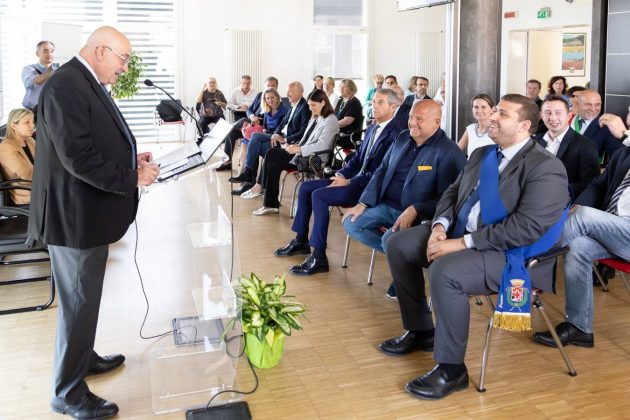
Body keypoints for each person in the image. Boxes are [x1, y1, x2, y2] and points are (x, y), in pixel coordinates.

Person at [380, 94, 569, 401]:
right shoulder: (482, 154)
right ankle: (421, 331)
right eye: (494, 111)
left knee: (445, 271)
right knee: (397, 243)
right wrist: (439, 226)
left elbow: (525, 228)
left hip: (510, 254)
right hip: (459, 233)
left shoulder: (546, 167)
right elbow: (452, 193)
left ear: (524, 126)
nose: (492, 117)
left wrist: (459, 244)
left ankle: (451, 369)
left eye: (502, 114)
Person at [28, 26, 160, 419]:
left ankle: (82, 359)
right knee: (77, 306)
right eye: (123, 59)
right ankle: (67, 393)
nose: (124, 68)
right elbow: (78, 157)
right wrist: (131, 178)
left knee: (83, 304)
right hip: (74, 219)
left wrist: (131, 159)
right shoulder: (66, 85)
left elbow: (94, 141)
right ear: (101, 51)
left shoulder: (82, 80)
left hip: (87, 215)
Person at [342, 100, 465, 299]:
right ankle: (406, 262)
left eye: (419, 119)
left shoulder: (448, 152)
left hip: (419, 216)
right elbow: (382, 170)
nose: (412, 122)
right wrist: (363, 203)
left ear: (436, 122)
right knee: (351, 223)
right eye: (411, 117)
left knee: (388, 239)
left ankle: (403, 267)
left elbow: (450, 198)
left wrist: (416, 208)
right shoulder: (402, 137)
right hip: (386, 205)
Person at [274, 89, 401, 275]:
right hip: (353, 180)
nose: (374, 106)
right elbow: (357, 159)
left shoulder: (397, 134)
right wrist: (341, 174)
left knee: (319, 196)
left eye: (380, 102)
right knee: (306, 187)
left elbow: (380, 173)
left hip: (367, 189)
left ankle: (319, 256)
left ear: (393, 106)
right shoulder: (373, 128)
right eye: (373, 102)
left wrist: (348, 181)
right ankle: (301, 240)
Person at [533, 130, 629, 350]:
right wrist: (578, 205)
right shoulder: (624, 154)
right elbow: (598, 185)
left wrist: (581, 212)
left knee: (584, 216)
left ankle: (528, 261)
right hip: (615, 229)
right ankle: (579, 328)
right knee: (577, 247)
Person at [252, 89, 339, 215]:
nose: (310, 108)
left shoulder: (331, 120)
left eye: (313, 105)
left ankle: (267, 198)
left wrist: (298, 149)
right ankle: (269, 201)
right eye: (309, 105)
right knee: (272, 156)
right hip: (304, 155)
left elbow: (323, 145)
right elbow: (307, 139)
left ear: (323, 103)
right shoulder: (316, 117)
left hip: (315, 160)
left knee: (273, 155)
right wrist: (294, 145)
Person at [228, 83, 308, 195]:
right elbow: (282, 125)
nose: (287, 94)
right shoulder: (292, 106)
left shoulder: (302, 108)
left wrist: (284, 139)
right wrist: (275, 135)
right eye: (267, 98)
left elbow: (303, 132)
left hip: (287, 143)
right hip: (277, 137)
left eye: (290, 91)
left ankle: (249, 176)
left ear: (300, 92)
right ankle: (249, 180)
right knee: (253, 143)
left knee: (255, 138)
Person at [534, 95, 600, 198]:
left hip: (563, 199)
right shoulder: (535, 141)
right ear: (541, 116)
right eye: (547, 113)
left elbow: (590, 183)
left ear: (569, 116)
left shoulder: (586, 145)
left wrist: (555, 190)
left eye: (558, 113)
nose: (552, 118)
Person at [217, 76, 278, 171]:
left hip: (260, 128)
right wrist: (252, 116)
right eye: (268, 85)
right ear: (264, 86)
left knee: (243, 120)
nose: (270, 87)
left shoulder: (276, 101)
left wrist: (259, 120)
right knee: (231, 133)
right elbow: (249, 110)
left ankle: (226, 128)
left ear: (276, 87)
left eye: (273, 86)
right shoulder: (259, 95)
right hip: (251, 124)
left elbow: (271, 121)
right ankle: (227, 162)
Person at [571, 90, 623, 162]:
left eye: (597, 105)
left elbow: (619, 156)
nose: (593, 109)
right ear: (577, 104)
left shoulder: (606, 127)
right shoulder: (566, 119)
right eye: (588, 104)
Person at [0, 108, 36, 205]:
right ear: (14, 125)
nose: (32, 125)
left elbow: (45, 162)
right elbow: (27, 175)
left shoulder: (29, 140)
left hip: (39, 185)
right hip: (26, 192)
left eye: (32, 122)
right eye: (27, 122)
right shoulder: (6, 147)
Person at [22, 41, 57, 112]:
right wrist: (49, 74)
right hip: (32, 111)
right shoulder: (29, 69)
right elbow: (33, 81)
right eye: (45, 51)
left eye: (52, 51)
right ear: (37, 53)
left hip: (52, 110)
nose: (49, 54)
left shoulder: (59, 70)